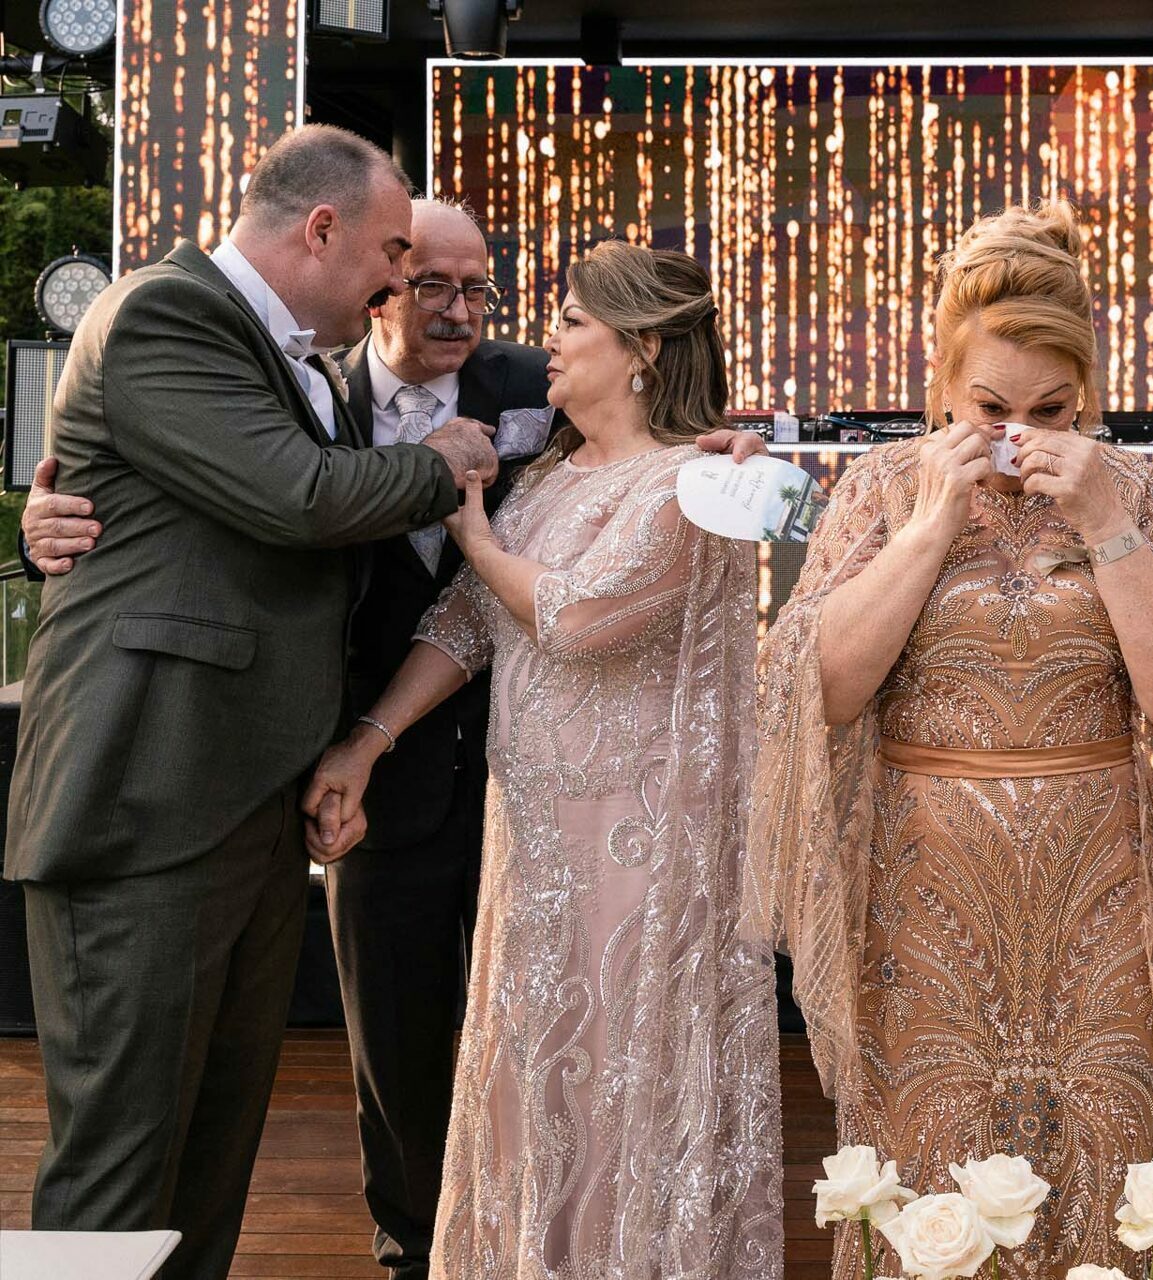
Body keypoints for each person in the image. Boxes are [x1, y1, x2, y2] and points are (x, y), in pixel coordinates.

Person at [20, 198, 770, 1280]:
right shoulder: (311, 394)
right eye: (419, 279)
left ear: (638, 347)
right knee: (411, 1056)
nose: (468, 311)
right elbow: (342, 542)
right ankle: (422, 1253)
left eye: (486, 290)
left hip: (617, 828)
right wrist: (51, 524)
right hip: (393, 788)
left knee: (615, 1056)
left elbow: (594, 583)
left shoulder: (571, 411)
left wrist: (738, 456)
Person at [1, 125, 499, 1280]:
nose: (397, 281)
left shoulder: (297, 361)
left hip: (247, 805)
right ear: (320, 228)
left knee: (209, 1155)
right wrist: (445, 460)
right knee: (119, 1167)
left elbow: (205, 528)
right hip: (146, 801)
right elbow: (298, 497)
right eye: (392, 252)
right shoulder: (165, 313)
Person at [748, 202, 1153, 1278]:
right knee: (929, 1170)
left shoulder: (1136, 491)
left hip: (1100, 903)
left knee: (1105, 1166)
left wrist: (1107, 524)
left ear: (1088, 396)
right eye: (990, 407)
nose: (1019, 434)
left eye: (1050, 409)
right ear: (942, 384)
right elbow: (820, 688)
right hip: (923, 896)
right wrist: (932, 525)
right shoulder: (882, 489)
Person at [301, 239, 781, 1278]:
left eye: (571, 321)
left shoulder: (696, 483)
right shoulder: (556, 473)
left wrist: (474, 537)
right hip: (535, 844)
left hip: (641, 847)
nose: (545, 340)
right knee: (536, 1070)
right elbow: (467, 623)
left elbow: (577, 616)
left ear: (642, 349)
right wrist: (370, 740)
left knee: (619, 1066)